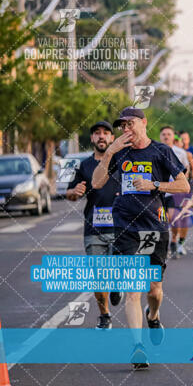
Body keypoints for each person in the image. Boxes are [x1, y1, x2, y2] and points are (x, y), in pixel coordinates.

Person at [91, 107, 189, 370]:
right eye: (122, 126)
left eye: (130, 124)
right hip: (125, 228)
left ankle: (153, 316)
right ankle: (137, 346)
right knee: (133, 291)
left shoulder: (161, 151)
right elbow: (97, 183)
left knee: (154, 290)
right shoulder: (118, 152)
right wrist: (109, 152)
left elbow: (184, 185)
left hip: (155, 227)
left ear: (144, 123)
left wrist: (154, 185)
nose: (126, 129)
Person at [66, 121, 119, 329]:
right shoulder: (84, 166)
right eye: (97, 133)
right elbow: (69, 193)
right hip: (94, 228)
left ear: (112, 138)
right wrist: (74, 192)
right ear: (92, 139)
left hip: (120, 227)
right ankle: (105, 315)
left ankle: (117, 284)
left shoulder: (122, 162)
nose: (101, 136)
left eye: (106, 133)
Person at [159, 126, 192, 258]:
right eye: (163, 134)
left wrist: (184, 184)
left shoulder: (180, 152)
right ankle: (166, 244)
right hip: (159, 191)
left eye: (169, 134)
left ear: (174, 137)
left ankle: (174, 240)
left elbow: (186, 169)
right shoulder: (155, 151)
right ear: (160, 137)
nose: (166, 137)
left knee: (172, 217)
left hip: (174, 191)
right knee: (162, 219)